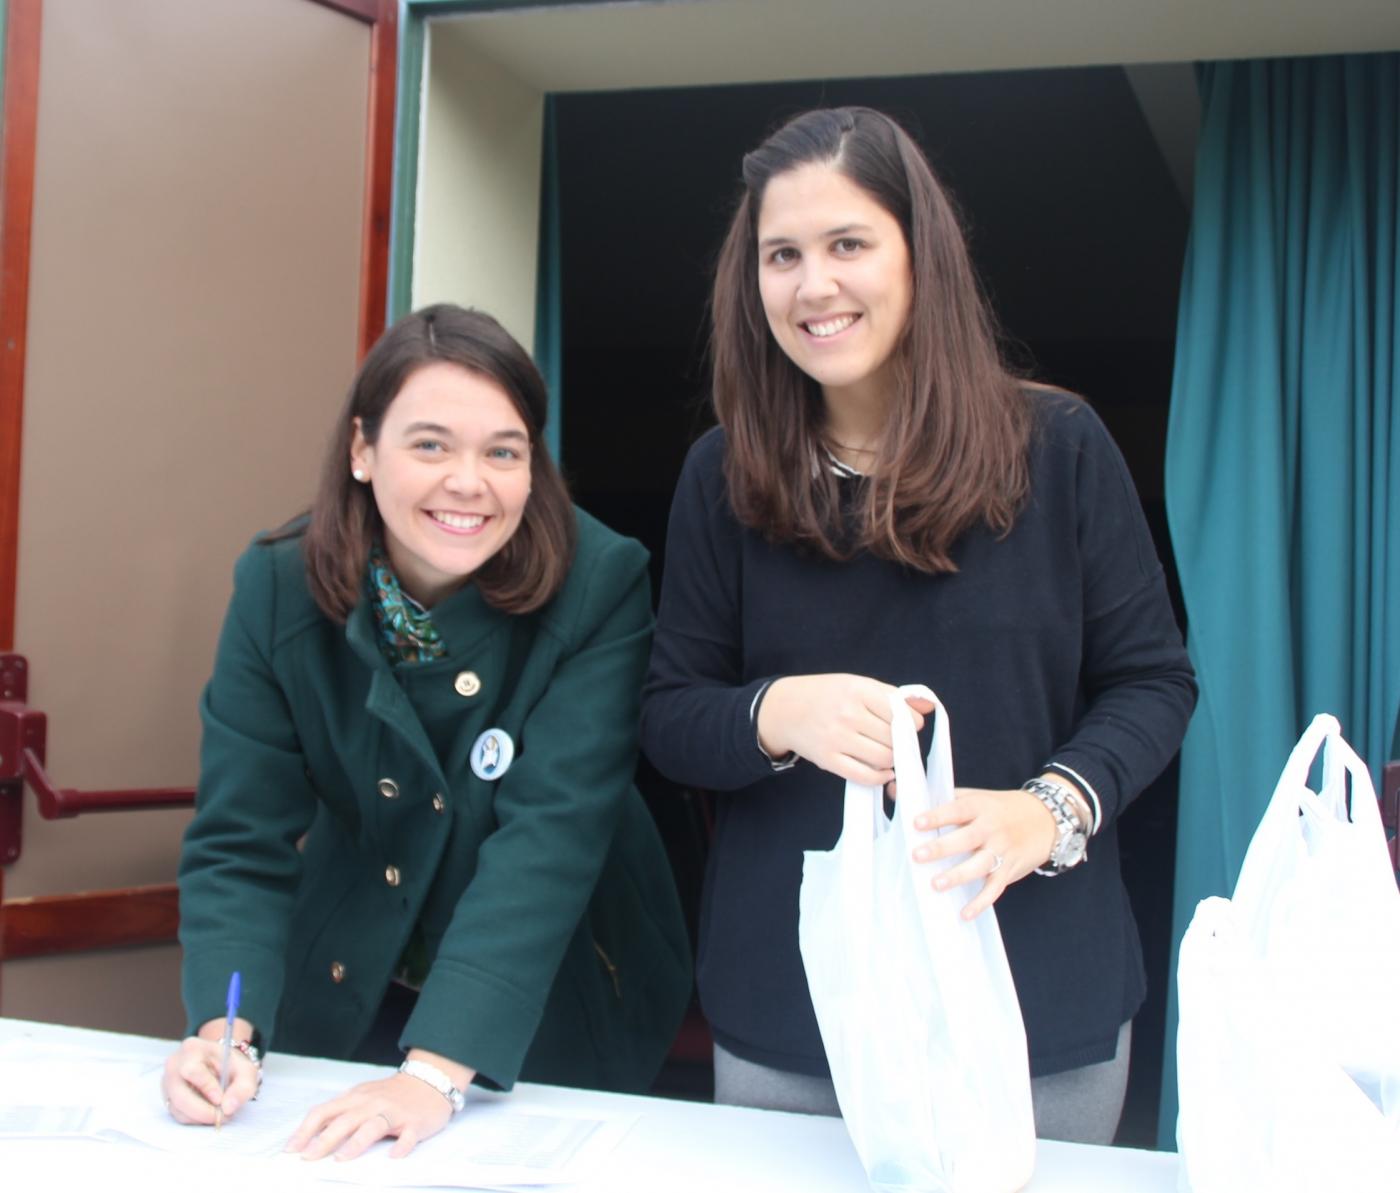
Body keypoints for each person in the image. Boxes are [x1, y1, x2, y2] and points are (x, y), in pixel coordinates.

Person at [640, 107, 1196, 1143]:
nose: (814, 285)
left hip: (1034, 997)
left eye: (848, 243)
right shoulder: (722, 473)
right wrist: (773, 711)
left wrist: (1051, 809)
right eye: (782, 254)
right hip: (793, 1007)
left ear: (918, 255)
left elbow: (1153, 682)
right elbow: (668, 715)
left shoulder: (1056, 445)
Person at [163, 304, 691, 1160]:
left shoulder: (601, 581)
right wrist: (227, 1027)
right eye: (431, 444)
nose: (468, 482)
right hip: (351, 956)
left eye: (503, 451)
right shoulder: (276, 586)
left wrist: (438, 1071)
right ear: (363, 450)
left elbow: (551, 838)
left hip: (544, 980)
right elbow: (239, 838)